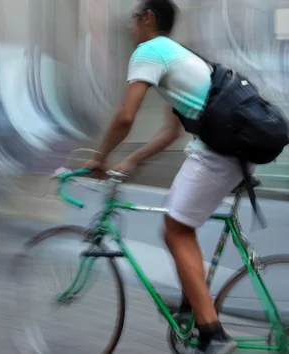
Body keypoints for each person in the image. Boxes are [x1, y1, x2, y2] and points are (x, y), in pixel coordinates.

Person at [83, 1, 245, 353]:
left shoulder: (150, 50)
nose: (129, 28)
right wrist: (132, 161)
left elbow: (126, 117)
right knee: (184, 224)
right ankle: (192, 307)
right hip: (234, 147)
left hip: (219, 150)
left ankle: (213, 334)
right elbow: (170, 133)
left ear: (148, 18)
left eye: (132, 19)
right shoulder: (179, 57)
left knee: (174, 230)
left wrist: (101, 157)